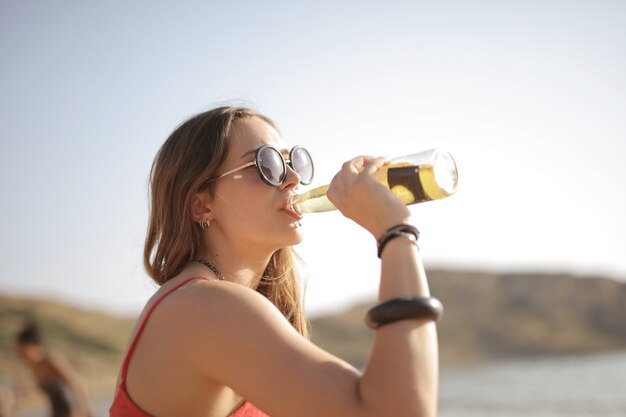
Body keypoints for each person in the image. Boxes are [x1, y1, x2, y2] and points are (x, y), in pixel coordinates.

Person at [109, 106, 440, 417]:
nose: (293, 178)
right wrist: (396, 231)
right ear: (202, 205)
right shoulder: (202, 307)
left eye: (292, 161)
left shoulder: (209, 305)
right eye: (266, 165)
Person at [15, 322, 92, 417]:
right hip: (57, 412)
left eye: (23, 351)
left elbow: (75, 383)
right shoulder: (34, 369)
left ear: (33, 346)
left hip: (72, 410)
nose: (21, 355)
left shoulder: (51, 361)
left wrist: (86, 409)